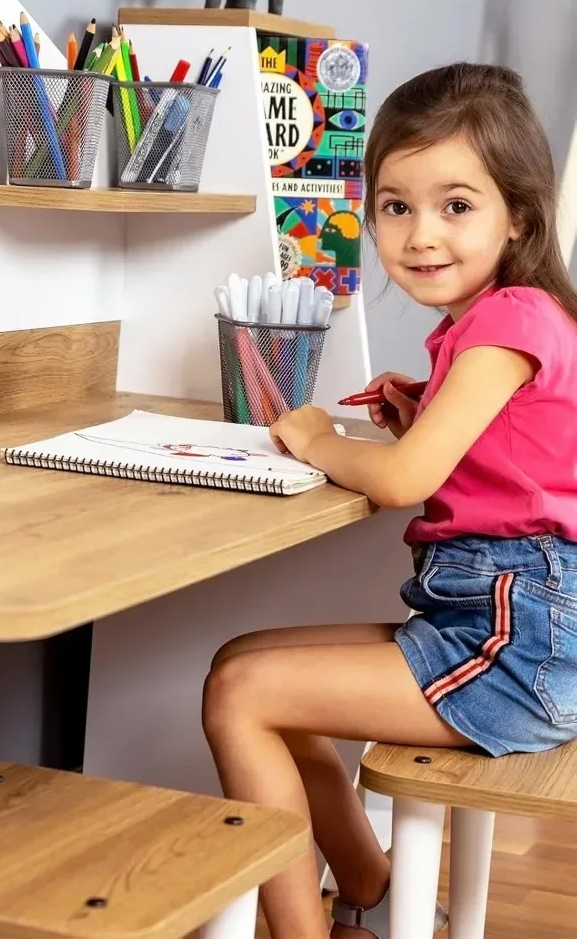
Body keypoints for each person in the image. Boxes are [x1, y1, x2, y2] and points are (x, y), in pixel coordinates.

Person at [202, 62, 577, 938]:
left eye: (456, 205)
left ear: (518, 214)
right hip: (497, 621)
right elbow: (508, 461)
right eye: (395, 206)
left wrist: (320, 441)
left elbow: (405, 483)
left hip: (518, 647)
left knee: (242, 697)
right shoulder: (500, 321)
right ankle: (366, 889)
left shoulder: (508, 322)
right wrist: (424, 416)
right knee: (239, 661)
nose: (419, 235)